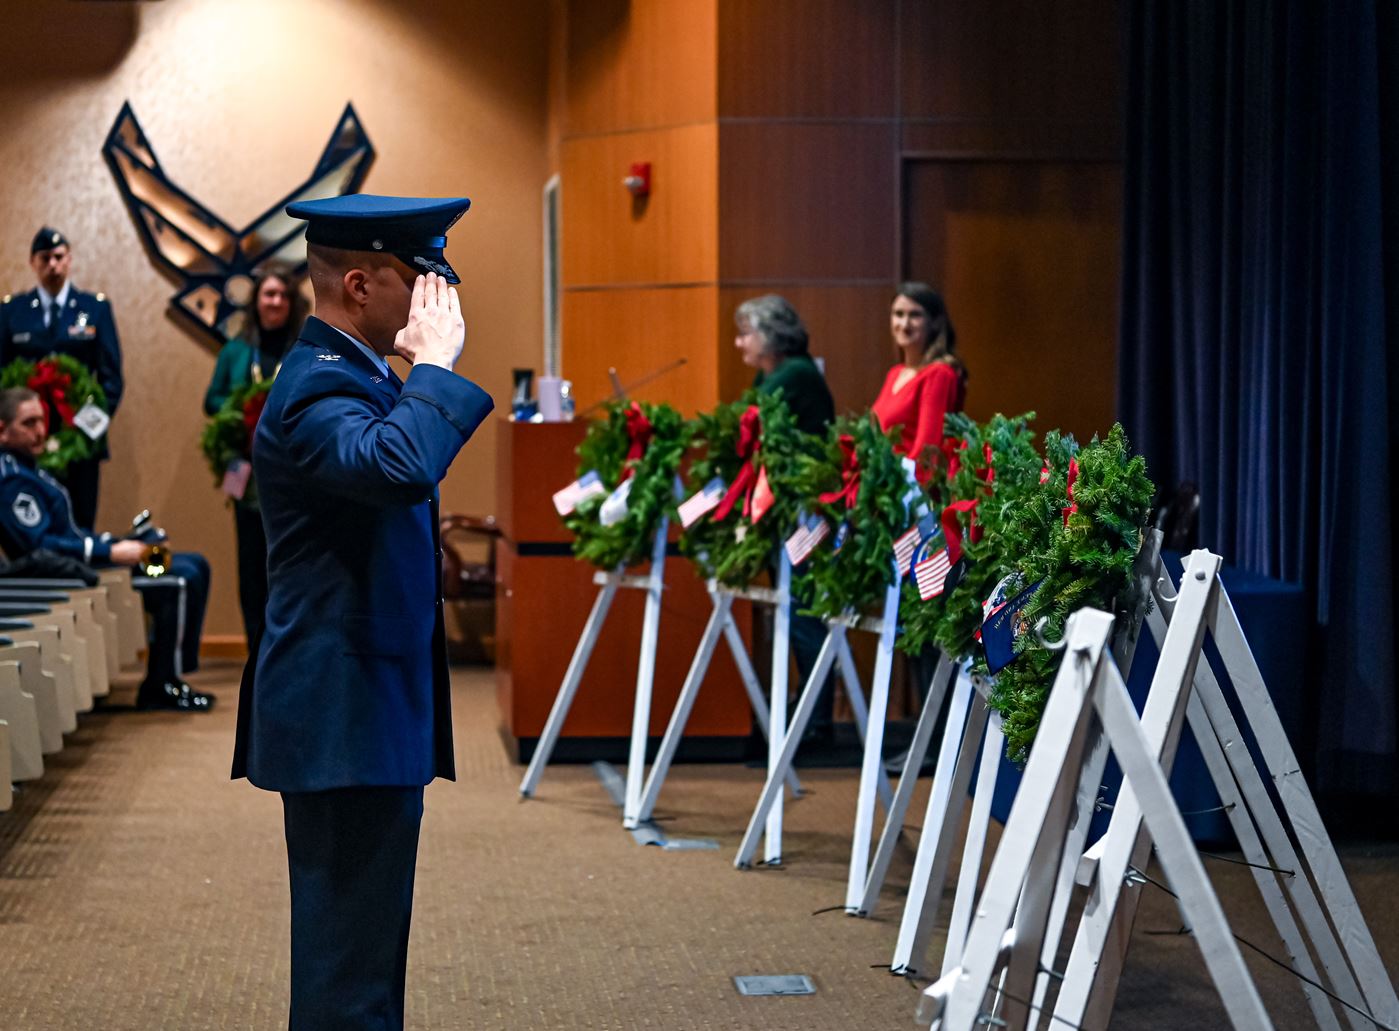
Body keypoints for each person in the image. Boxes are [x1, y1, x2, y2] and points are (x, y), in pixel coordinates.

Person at [231, 194, 493, 1030]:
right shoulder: (315, 391)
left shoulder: (357, 376)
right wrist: (438, 369)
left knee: (366, 971)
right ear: (357, 284)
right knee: (347, 984)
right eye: (419, 278)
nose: (433, 300)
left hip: (366, 714)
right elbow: (396, 466)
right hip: (341, 721)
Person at [0, 387, 212, 712]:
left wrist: (122, 542)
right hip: (66, 575)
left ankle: (170, 674)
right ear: (3, 430)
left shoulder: (31, 469)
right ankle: (163, 682)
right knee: (176, 581)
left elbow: (70, 533)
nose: (40, 431)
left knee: (193, 564)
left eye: (42, 421)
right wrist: (111, 553)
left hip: (84, 561)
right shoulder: (12, 480)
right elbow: (40, 545)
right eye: (29, 423)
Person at [732, 295, 841, 748]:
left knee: (804, 612)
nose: (739, 343)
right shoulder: (771, 373)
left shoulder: (795, 374)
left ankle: (815, 721)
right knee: (796, 609)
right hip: (788, 509)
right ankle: (805, 714)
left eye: (746, 333)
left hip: (808, 511)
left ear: (771, 336)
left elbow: (749, 424)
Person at [203, 264, 305, 646]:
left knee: (290, 561)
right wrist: (242, 408)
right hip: (245, 474)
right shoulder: (235, 350)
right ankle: (254, 644)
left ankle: (289, 644)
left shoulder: (304, 348)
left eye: (282, 295)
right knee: (251, 563)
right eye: (268, 294)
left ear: (292, 303)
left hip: (293, 472)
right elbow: (211, 400)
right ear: (256, 301)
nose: (275, 302)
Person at [0, 227, 124, 530]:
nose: (52, 265)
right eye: (45, 258)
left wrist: (84, 430)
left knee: (81, 524)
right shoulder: (12, 311)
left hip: (80, 443)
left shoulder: (94, 309)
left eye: (58, 257)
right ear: (33, 263)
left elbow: (111, 379)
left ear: (69, 260)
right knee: (30, 526)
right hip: (26, 444)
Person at [871, 282, 966, 483]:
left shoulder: (939, 374)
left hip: (911, 495)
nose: (904, 324)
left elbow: (927, 453)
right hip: (884, 487)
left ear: (934, 322)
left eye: (915, 315)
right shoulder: (895, 373)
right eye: (898, 314)